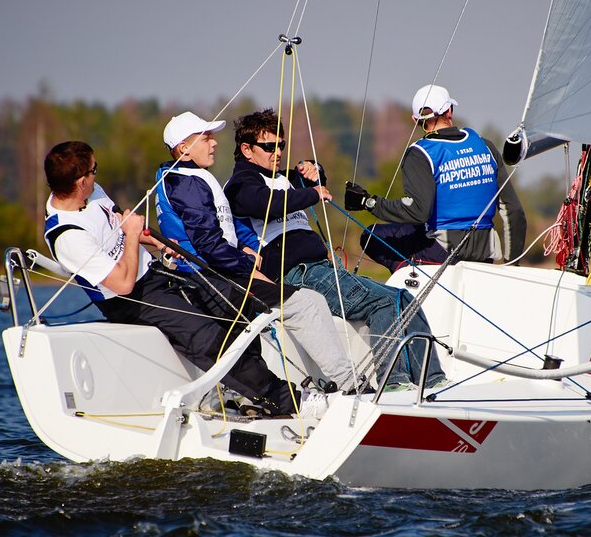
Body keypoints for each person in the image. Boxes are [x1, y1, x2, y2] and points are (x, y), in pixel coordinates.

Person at [43, 140, 296, 417]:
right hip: (130, 299)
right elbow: (123, 283)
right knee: (208, 338)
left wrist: (157, 243)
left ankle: (241, 393)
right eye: (94, 171)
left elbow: (120, 228)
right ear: (80, 182)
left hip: (154, 273)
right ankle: (283, 399)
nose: (96, 175)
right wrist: (131, 236)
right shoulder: (67, 236)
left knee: (233, 309)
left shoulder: (92, 194)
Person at [223, 109, 447, 390]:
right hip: (298, 273)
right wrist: (311, 194)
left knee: (404, 297)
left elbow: (315, 181)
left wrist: (314, 170)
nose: (277, 152)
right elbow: (262, 203)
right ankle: (393, 381)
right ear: (247, 150)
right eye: (269, 147)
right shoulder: (240, 185)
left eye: (281, 145)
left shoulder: (283, 178)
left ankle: (433, 381)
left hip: (320, 269)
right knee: (384, 302)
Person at [154, 111, 356, 392]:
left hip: (216, 272)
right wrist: (244, 260)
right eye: (206, 138)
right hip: (210, 277)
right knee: (306, 303)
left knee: (291, 303)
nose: (214, 144)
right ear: (184, 147)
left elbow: (218, 230)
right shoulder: (188, 183)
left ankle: (246, 394)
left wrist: (244, 246)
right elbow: (207, 244)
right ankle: (350, 385)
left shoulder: (188, 178)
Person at [345, 84, 527, 272]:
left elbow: (418, 211)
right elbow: (514, 211)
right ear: (449, 111)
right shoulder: (485, 146)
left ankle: (412, 277)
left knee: (372, 235)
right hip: (485, 254)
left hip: (443, 253)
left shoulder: (420, 153)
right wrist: (511, 267)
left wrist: (368, 203)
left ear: (415, 120)